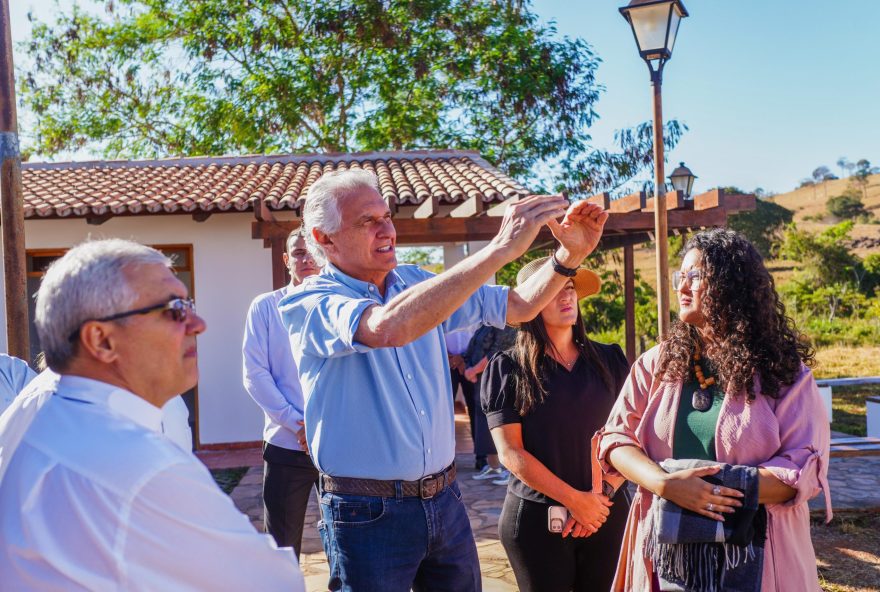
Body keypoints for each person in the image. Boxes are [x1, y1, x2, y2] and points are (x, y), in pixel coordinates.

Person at [280, 169, 608, 592]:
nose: (387, 229)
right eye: (368, 221)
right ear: (322, 239)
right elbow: (386, 328)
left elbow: (521, 305)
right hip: (366, 513)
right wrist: (498, 251)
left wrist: (567, 260)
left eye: (387, 216)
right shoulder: (309, 301)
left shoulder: (416, 281)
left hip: (444, 500)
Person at [0, 239, 304, 590]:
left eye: (189, 304)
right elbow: (271, 583)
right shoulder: (141, 466)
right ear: (101, 340)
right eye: (174, 309)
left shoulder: (34, 409)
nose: (198, 323)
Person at [596, 228, 832, 592]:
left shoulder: (783, 375)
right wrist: (665, 484)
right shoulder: (656, 364)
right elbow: (616, 438)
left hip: (762, 558)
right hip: (663, 556)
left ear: (731, 286)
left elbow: (802, 468)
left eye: (696, 276)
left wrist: (707, 491)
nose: (682, 286)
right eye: (681, 276)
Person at [481, 256, 631, 592]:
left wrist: (598, 499)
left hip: (608, 512)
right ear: (531, 305)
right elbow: (511, 453)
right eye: (552, 291)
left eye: (570, 289)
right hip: (537, 522)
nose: (566, 297)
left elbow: (633, 435)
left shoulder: (611, 360)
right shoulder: (508, 369)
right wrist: (576, 502)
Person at [243, 229, 321, 555]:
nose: (306, 259)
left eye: (312, 251)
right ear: (287, 260)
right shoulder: (264, 308)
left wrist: (322, 426)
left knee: (348, 542)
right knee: (282, 546)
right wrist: (299, 424)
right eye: (299, 253)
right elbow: (255, 375)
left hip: (340, 446)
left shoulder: (344, 307)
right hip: (286, 445)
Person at [465, 324, 516, 484]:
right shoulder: (485, 324)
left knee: (502, 420)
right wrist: (469, 369)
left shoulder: (507, 324)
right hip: (481, 380)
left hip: (497, 378)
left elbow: (497, 351)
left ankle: (511, 471)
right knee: (484, 424)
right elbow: (472, 349)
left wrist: (473, 370)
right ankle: (493, 466)